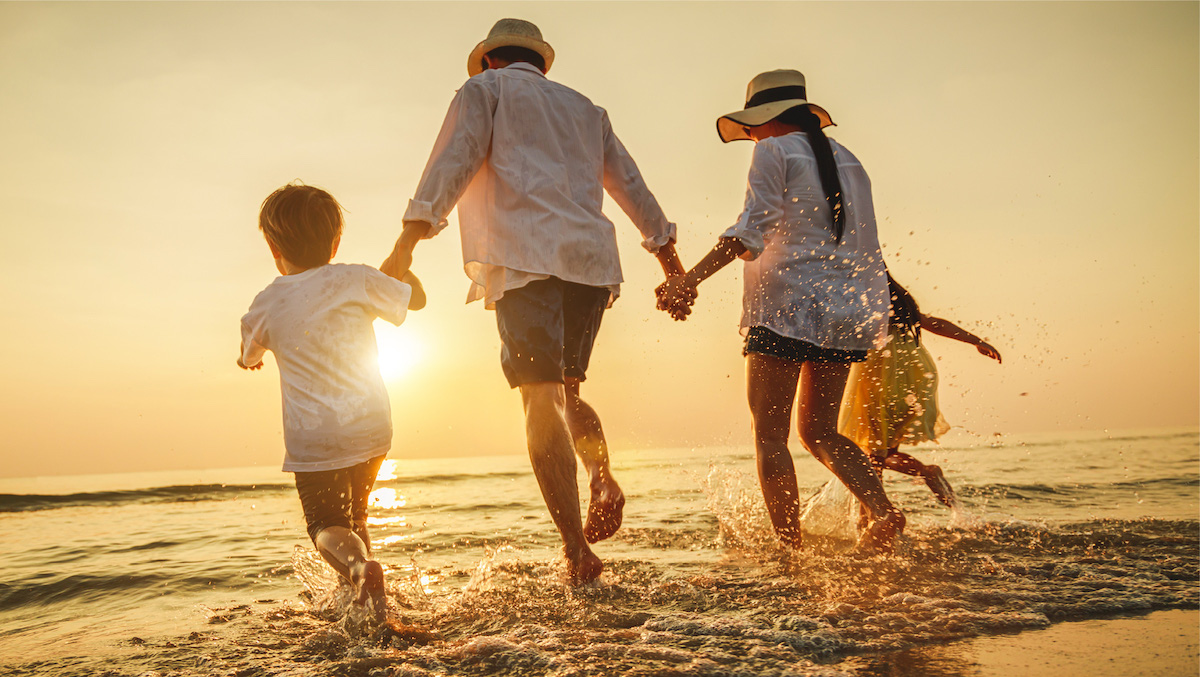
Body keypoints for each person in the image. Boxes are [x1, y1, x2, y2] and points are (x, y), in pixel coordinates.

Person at [379, 19, 685, 584]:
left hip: (525, 260)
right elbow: (631, 186)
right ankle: (601, 474)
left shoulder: (484, 91)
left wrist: (407, 243)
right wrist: (672, 266)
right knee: (568, 390)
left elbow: (453, 162)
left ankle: (575, 551)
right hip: (590, 265)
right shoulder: (586, 109)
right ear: (541, 62)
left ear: (491, 59)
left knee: (539, 398)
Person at [657, 69, 904, 553]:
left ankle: (789, 552)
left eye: (751, 126)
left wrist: (689, 280)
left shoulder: (773, 150)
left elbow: (752, 229)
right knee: (820, 432)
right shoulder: (850, 159)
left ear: (765, 120)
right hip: (845, 311)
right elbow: (863, 243)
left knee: (770, 435)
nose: (751, 135)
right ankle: (884, 510)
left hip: (785, 307)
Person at [239, 183, 426, 619]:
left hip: (314, 439)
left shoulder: (267, 303)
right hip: (371, 427)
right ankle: (366, 601)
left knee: (325, 524)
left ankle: (360, 570)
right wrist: (400, 268)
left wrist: (248, 361)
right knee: (357, 515)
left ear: (272, 247)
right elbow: (415, 301)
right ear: (335, 242)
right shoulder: (356, 278)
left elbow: (248, 352)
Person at [838, 272, 1002, 510]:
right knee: (881, 453)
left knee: (874, 456)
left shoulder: (865, 295)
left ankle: (875, 518)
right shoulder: (897, 297)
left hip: (878, 379)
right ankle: (925, 473)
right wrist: (976, 340)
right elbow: (932, 322)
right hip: (909, 380)